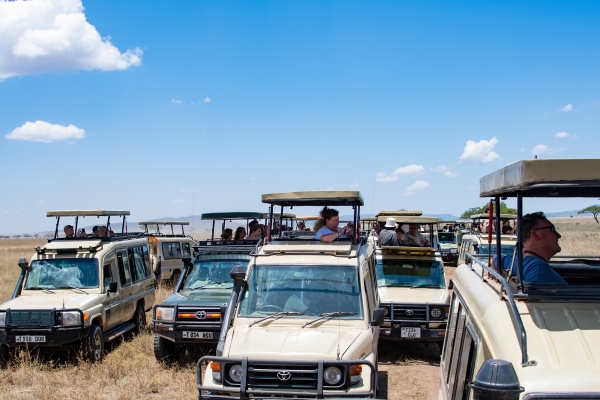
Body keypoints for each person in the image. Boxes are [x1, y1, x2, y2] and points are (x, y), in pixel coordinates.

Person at [494, 212, 567, 285]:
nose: (559, 235)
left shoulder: (518, 261)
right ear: (535, 234)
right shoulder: (537, 268)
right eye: (552, 229)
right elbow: (534, 294)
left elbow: (494, 259)